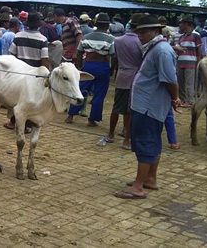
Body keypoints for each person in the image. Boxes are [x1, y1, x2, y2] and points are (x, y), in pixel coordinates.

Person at [114, 14, 179, 200]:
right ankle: (150, 178)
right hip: (147, 104)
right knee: (152, 142)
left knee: (145, 143)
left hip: (148, 106)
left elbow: (170, 79)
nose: (140, 35)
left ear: (156, 31)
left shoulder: (162, 51)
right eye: (139, 31)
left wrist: (175, 99)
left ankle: (138, 186)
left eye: (144, 31)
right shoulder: (156, 48)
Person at [66, 13, 115, 126]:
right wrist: (111, 69)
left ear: (95, 24)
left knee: (81, 90)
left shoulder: (86, 37)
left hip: (88, 65)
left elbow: (79, 52)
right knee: (99, 94)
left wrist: (79, 66)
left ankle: (70, 115)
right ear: (107, 25)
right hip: (102, 66)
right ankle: (92, 120)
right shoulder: (111, 39)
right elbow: (113, 55)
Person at [105, 13, 143, 148]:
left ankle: (110, 134)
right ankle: (126, 138)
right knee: (129, 110)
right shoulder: (140, 42)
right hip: (134, 77)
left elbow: (114, 59)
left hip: (121, 75)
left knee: (116, 107)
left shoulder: (118, 40)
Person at [171, 15, 202, 107]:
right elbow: (177, 47)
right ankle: (183, 100)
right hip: (181, 62)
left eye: (182, 23)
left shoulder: (196, 35)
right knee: (181, 82)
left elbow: (199, 50)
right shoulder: (181, 36)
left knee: (189, 83)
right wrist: (177, 48)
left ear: (187, 24)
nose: (180, 25)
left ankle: (190, 101)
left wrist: (198, 62)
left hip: (191, 62)